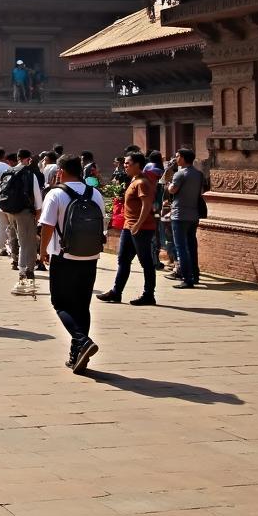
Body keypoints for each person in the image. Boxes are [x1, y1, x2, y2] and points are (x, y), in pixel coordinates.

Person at [39, 154, 103, 374]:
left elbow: (47, 226)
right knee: (82, 305)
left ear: (61, 171)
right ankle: (77, 357)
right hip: (90, 256)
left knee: (61, 304)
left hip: (63, 256)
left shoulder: (56, 193)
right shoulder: (95, 193)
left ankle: (81, 341)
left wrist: (42, 252)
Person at [97, 151, 157, 306]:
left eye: (127, 163)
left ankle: (149, 294)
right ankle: (117, 292)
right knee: (123, 259)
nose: (125, 166)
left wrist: (138, 224)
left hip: (141, 228)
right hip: (128, 226)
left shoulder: (142, 182)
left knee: (146, 262)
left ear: (138, 165)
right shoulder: (134, 180)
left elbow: (147, 205)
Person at [6, 149, 44, 297]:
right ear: (28, 159)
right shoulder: (29, 174)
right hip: (25, 212)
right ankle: (25, 270)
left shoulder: (9, 172)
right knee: (26, 242)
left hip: (11, 211)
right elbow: (37, 195)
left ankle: (22, 266)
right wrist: (38, 212)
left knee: (17, 238)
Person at [167, 147, 204, 289]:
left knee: (181, 247)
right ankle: (195, 275)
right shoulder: (198, 174)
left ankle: (186, 278)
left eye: (177, 156)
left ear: (182, 158)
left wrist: (169, 184)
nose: (176, 159)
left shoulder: (179, 174)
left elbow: (173, 190)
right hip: (193, 214)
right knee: (192, 245)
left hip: (179, 214)